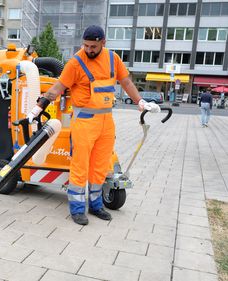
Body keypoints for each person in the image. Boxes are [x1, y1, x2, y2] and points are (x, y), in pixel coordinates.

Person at [27, 25, 161, 225]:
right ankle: (77, 209)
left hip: (106, 122)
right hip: (84, 122)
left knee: (100, 168)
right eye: (86, 45)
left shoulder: (113, 59)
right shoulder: (76, 63)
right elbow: (58, 87)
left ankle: (96, 205)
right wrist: (39, 107)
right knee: (80, 166)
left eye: (93, 46)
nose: (88, 49)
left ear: (103, 43)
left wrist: (140, 102)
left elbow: (126, 83)